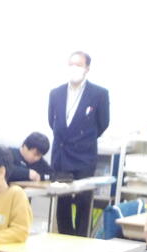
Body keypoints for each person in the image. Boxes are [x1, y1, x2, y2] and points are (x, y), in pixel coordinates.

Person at [48, 50, 110, 236]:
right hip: (61, 154)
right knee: (63, 202)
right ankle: (65, 238)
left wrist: (84, 139)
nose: (74, 68)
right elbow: (52, 121)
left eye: (79, 65)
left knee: (84, 201)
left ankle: (82, 240)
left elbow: (103, 123)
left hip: (84, 155)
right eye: (71, 64)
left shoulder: (99, 93)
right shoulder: (56, 93)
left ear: (87, 68)